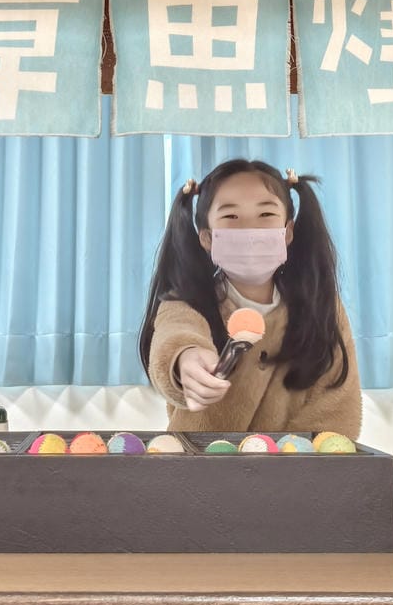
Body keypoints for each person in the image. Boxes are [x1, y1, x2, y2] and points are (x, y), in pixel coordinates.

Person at [138, 159, 361, 437]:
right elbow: (175, 334)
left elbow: (337, 411)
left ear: (287, 231)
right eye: (231, 217)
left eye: (266, 215)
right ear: (207, 237)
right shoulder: (185, 302)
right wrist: (186, 358)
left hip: (290, 474)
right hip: (199, 470)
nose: (249, 229)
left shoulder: (323, 309)